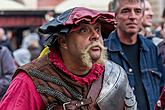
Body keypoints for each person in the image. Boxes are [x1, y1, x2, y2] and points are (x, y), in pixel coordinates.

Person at [0, 7, 137, 110]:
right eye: (84, 30)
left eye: (98, 29)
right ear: (63, 41)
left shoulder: (115, 75)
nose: (95, 36)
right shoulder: (30, 81)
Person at [105, 0, 165, 110]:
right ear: (115, 16)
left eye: (137, 11)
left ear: (142, 16)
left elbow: (162, 89)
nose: (132, 16)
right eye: (126, 11)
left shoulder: (152, 48)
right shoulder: (104, 51)